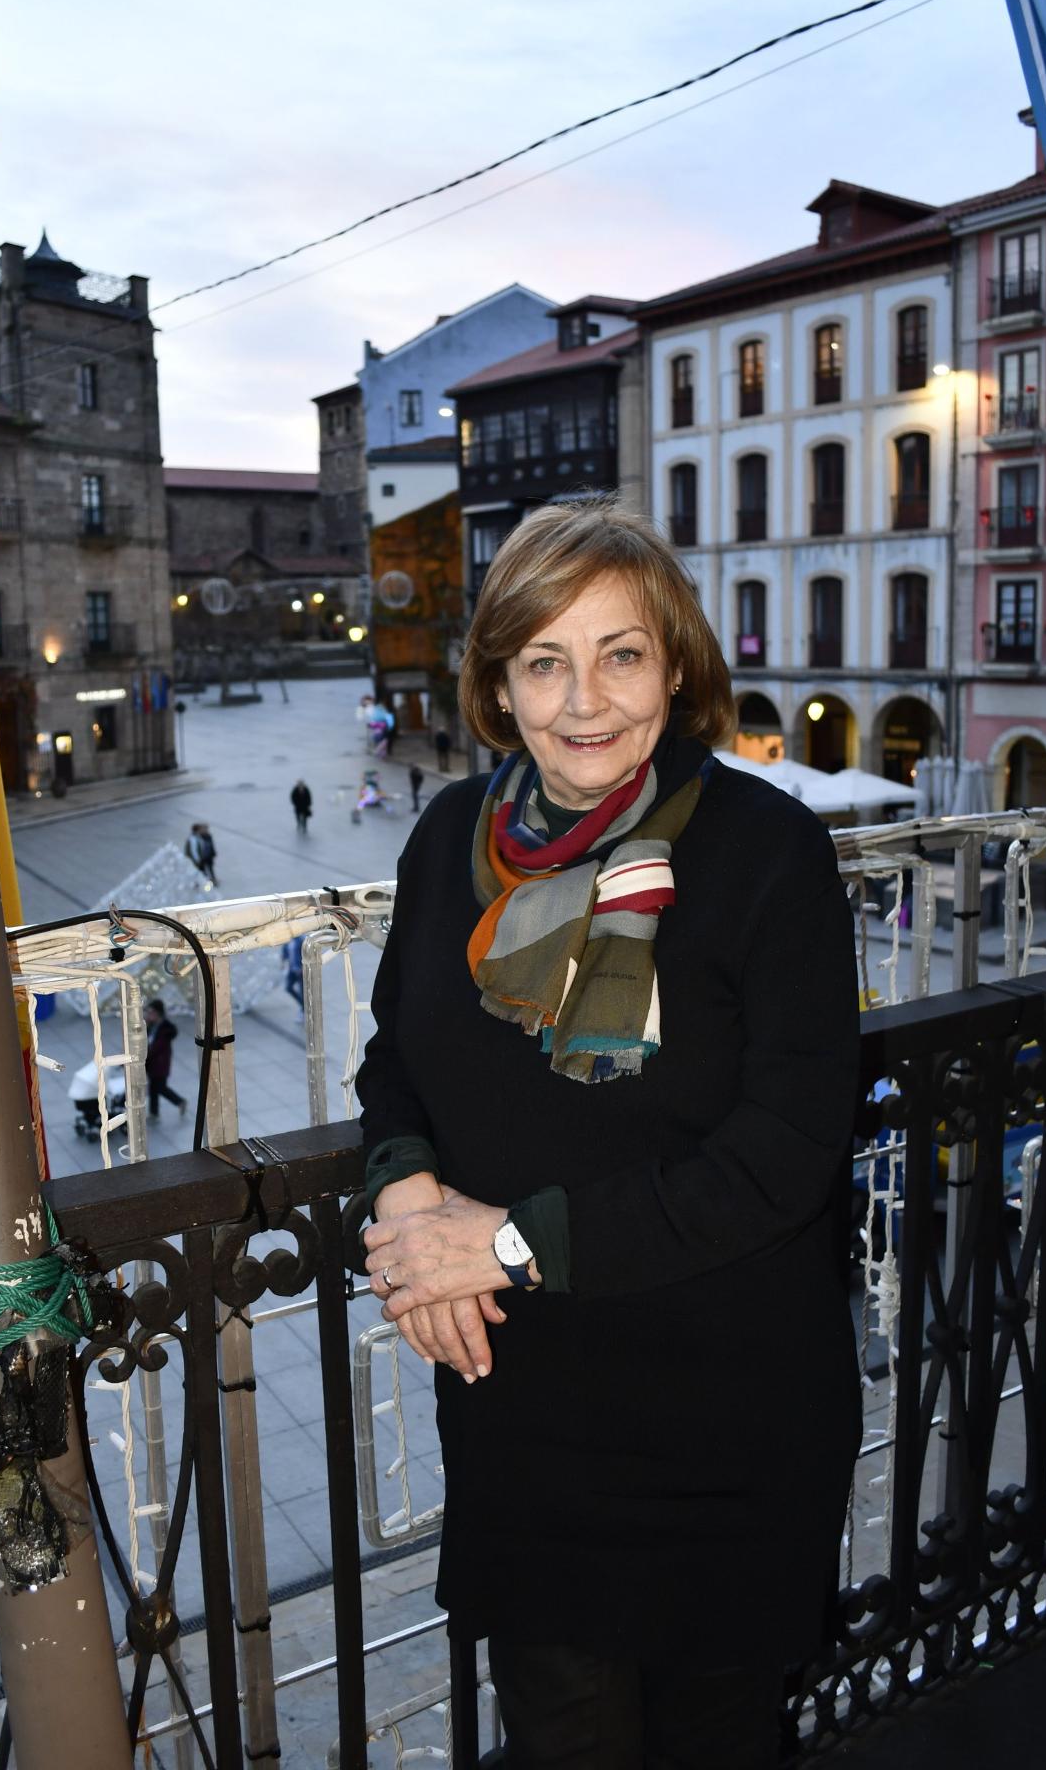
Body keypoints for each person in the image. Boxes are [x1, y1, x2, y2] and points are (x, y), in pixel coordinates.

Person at [355, 500, 861, 1770]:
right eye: (546, 660)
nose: (586, 699)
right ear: (500, 684)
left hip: (723, 1420)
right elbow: (391, 1063)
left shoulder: (765, 854)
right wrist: (410, 1202)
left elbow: (787, 1152)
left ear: (677, 667)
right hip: (527, 1422)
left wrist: (506, 1247)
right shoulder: (444, 843)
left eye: (621, 653)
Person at [144, 999, 187, 1122]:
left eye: (150, 1012)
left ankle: (180, 1101)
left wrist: (143, 1057)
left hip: (160, 1065)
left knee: (160, 1088)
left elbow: (156, 1048)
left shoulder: (165, 1030)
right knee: (153, 1088)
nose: (148, 1015)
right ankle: (154, 1113)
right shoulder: (152, 1026)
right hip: (152, 1064)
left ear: (157, 1013)